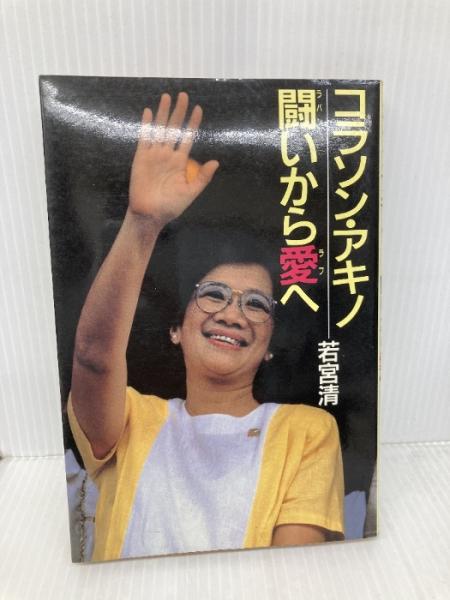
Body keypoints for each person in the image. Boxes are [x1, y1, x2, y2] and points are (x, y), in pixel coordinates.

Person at [68, 92, 344, 561]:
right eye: (213, 295)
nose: (233, 315)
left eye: (256, 304)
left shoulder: (306, 431)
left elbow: (294, 574)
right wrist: (143, 222)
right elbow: (94, 357)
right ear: (176, 329)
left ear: (269, 344)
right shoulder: (134, 418)